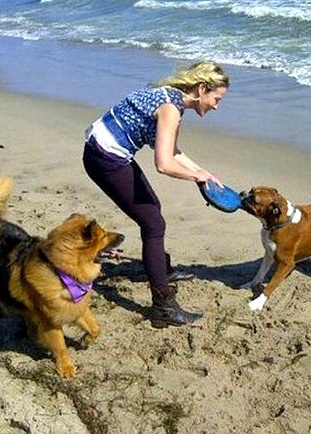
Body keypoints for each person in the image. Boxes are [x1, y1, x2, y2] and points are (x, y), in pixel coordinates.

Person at [82, 61, 229, 328]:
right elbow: (164, 164)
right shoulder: (171, 109)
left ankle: (163, 270)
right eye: (216, 99)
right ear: (201, 88)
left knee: (153, 209)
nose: (216, 106)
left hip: (101, 148)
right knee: (153, 224)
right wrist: (196, 177)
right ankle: (163, 306)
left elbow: (172, 150)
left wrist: (203, 172)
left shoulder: (168, 95)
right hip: (105, 159)